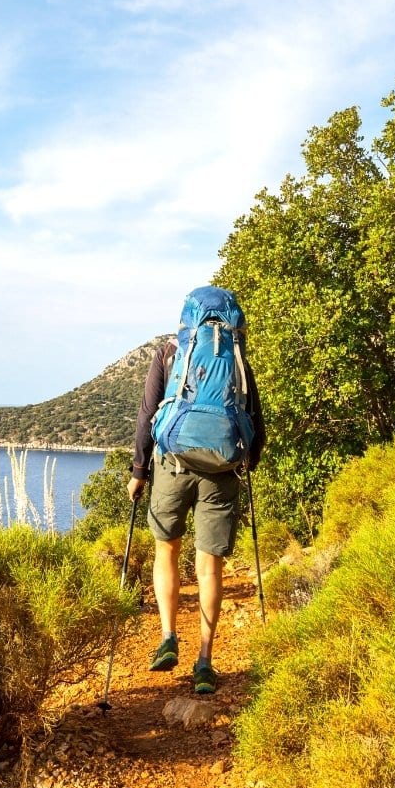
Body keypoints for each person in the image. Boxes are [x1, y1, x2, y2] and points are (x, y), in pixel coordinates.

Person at [126, 286, 265, 695]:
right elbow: (254, 415)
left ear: (188, 319)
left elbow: (148, 413)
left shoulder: (170, 352)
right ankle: (205, 660)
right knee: (209, 566)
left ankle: (168, 636)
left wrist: (138, 470)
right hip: (221, 469)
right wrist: (246, 462)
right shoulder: (236, 355)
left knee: (166, 547)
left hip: (173, 463)